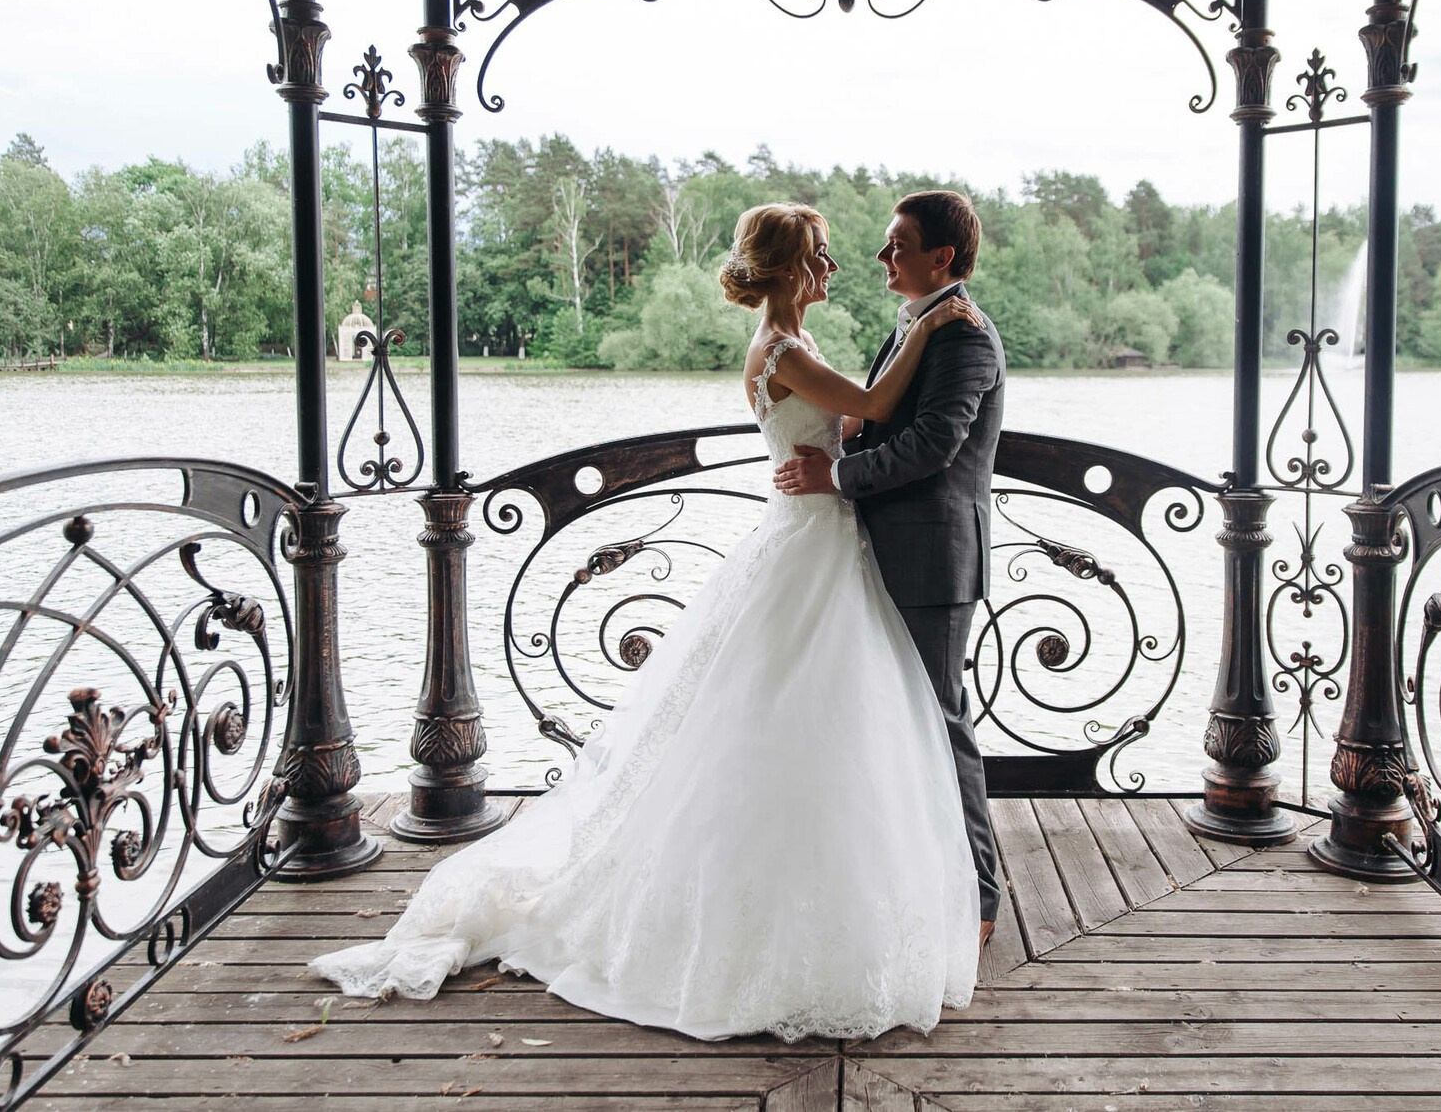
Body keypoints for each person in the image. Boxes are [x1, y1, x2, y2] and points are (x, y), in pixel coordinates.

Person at [309, 202, 985, 1042]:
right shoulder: (784, 351)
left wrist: (870, 411)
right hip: (811, 546)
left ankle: (831, 895)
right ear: (784, 268)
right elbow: (880, 401)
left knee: (821, 729)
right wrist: (932, 323)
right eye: (819, 253)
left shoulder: (796, 348)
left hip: (822, 543)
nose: (836, 267)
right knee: (788, 727)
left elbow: (863, 421)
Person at [773, 189, 1005, 947]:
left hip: (933, 555)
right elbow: (875, 416)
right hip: (879, 548)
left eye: (896, 244)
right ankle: (912, 881)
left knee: (940, 719)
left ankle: (978, 902)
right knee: (898, 720)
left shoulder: (964, 337)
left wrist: (834, 477)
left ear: (942, 256)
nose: (882, 257)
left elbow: (934, 444)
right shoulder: (915, 324)